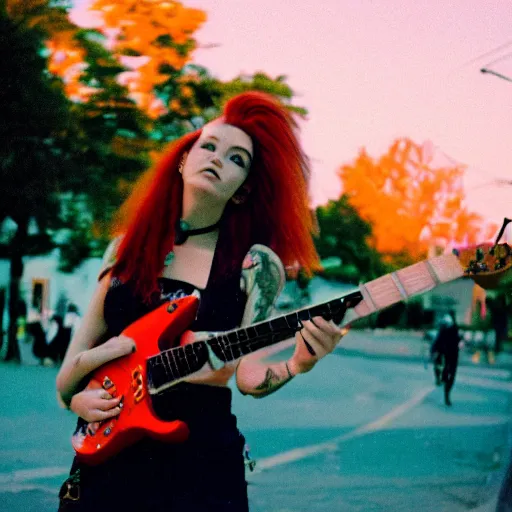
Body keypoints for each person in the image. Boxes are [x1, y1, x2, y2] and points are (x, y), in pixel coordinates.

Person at [55, 91, 348, 512]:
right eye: (208, 146)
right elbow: (68, 376)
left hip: (201, 465)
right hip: (110, 457)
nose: (216, 158)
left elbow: (248, 376)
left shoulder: (254, 265)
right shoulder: (125, 251)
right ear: (182, 159)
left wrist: (298, 364)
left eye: (236, 159)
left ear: (243, 191)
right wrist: (81, 395)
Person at [430, 313, 461, 406]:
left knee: (450, 376)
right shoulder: (442, 332)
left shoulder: (455, 331)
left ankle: (447, 395)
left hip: (452, 356)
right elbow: (436, 343)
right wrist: (434, 352)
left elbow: (459, 342)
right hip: (443, 355)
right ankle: (439, 379)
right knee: (440, 367)